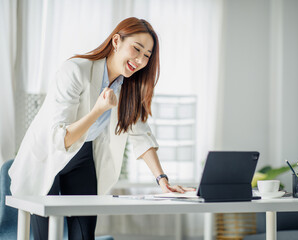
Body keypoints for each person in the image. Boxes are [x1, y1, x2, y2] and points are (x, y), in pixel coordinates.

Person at [9, 17, 194, 240]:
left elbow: (141, 135)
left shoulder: (129, 86)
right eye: (136, 49)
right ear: (116, 41)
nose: (140, 60)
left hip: (84, 156)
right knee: (45, 236)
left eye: (146, 55)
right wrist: (98, 110)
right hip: (47, 155)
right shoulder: (75, 70)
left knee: (84, 234)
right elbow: (60, 139)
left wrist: (162, 180)